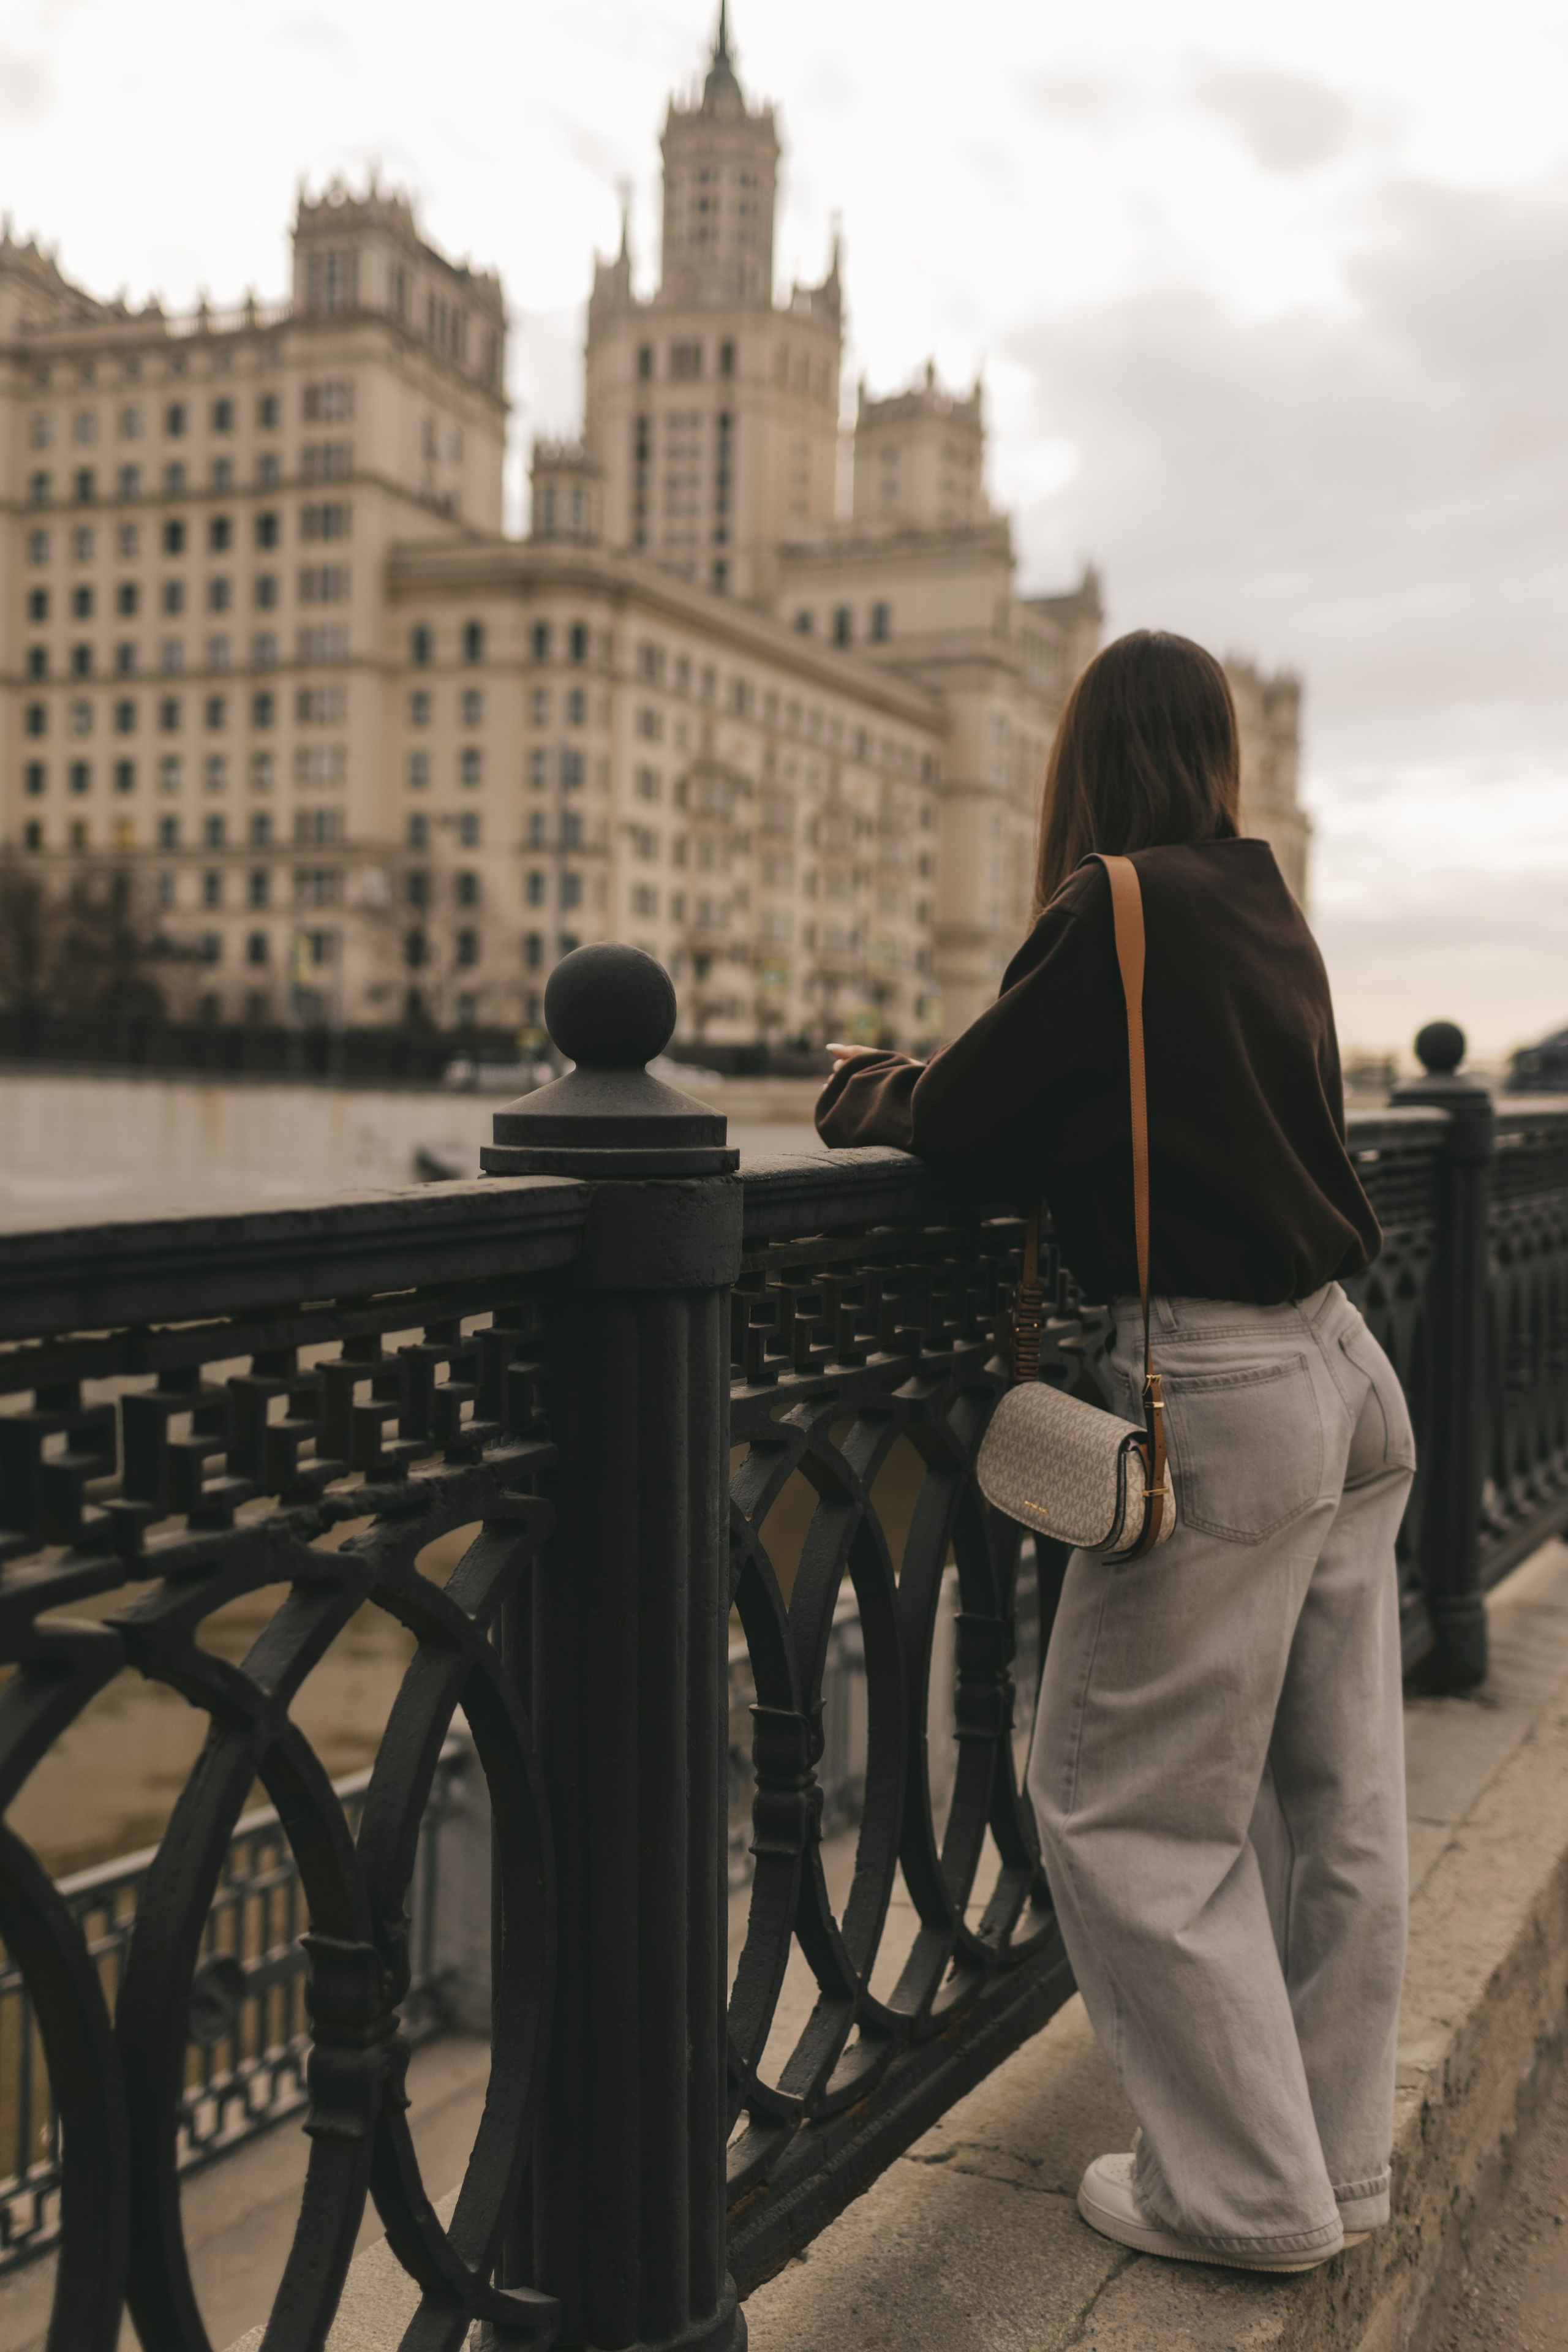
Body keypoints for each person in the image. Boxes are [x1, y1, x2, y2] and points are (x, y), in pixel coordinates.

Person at [813, 629, 1415, 2277]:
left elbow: (971, 1115)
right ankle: (1331, 2162)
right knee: (1334, 1795)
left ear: (1081, 755)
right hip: (1345, 1370)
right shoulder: (1261, 899)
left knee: (1117, 1811)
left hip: (1219, 1386)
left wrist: (864, 1088)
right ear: (1212, 750)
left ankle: (1238, 2194)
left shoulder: (1115, 910)